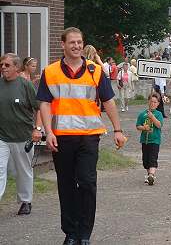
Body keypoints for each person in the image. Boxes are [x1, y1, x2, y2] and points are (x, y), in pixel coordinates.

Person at [37, 27, 126, 245]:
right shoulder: (50, 72)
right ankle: (71, 232)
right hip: (62, 137)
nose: (76, 46)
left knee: (87, 182)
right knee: (66, 185)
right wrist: (47, 132)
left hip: (88, 136)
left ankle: (85, 233)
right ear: (63, 45)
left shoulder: (96, 71)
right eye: (72, 42)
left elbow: (108, 101)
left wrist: (117, 130)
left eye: (79, 42)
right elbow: (44, 103)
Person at [0, 53, 42, 215]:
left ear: (17, 67)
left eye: (7, 65)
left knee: (23, 170)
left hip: (23, 137)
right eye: (1, 64)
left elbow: (38, 108)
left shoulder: (25, 85)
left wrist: (37, 129)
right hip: (2, 137)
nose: (3, 67)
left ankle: (25, 201)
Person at [136, 93, 163, 186]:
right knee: (145, 160)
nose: (153, 104)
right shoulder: (142, 114)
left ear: (158, 103)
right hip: (145, 140)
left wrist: (152, 117)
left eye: (155, 102)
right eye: (151, 101)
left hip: (155, 140)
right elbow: (138, 126)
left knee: (153, 158)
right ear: (148, 102)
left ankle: (152, 175)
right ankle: (149, 175)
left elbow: (159, 125)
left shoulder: (159, 114)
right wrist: (144, 128)